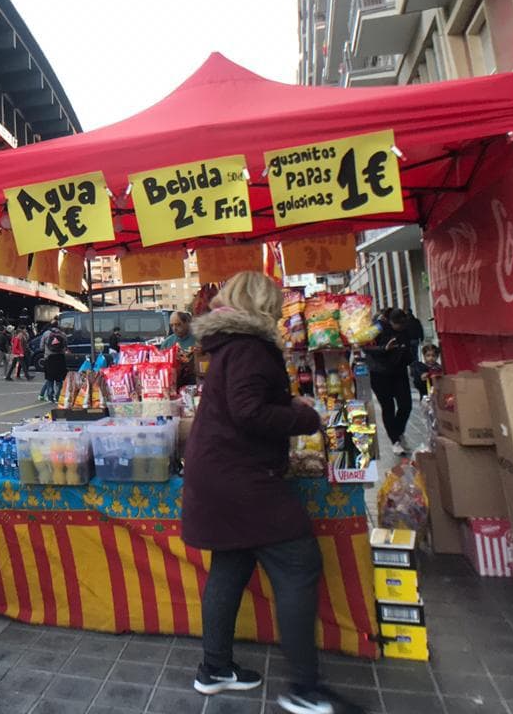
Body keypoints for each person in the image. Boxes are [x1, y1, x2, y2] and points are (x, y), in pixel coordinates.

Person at [182, 271, 362, 714]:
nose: (283, 312)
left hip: (219, 473)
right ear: (261, 305)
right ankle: (304, 689)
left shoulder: (227, 344)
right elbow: (249, 411)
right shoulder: (248, 346)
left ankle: (215, 669)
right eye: (277, 304)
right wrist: (304, 416)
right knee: (299, 562)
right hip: (241, 476)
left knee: (231, 563)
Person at [365, 309, 414, 455]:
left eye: (402, 325)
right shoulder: (377, 327)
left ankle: (397, 431)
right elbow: (365, 346)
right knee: (388, 407)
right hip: (379, 373)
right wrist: (383, 348)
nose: (399, 328)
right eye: (397, 325)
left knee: (406, 405)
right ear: (390, 321)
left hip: (399, 371)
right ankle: (395, 441)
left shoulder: (405, 329)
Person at [39, 326, 68, 402]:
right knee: (59, 380)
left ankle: (50, 397)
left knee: (50, 379)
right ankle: (58, 397)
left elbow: (41, 347)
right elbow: (65, 346)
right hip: (60, 359)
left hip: (49, 359)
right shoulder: (63, 334)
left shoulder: (46, 334)